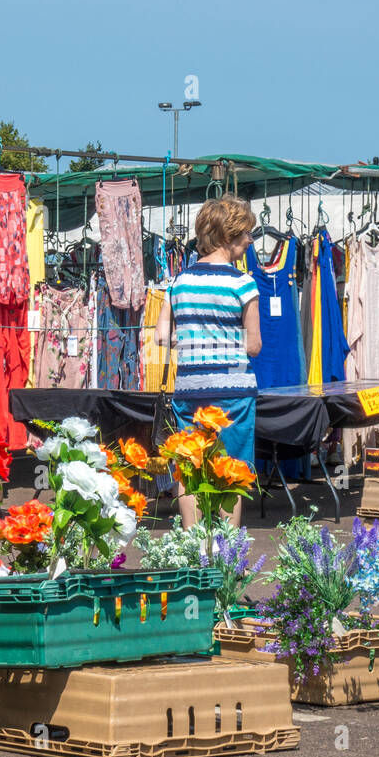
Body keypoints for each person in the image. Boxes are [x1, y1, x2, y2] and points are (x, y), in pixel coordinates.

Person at [155, 195, 262, 528]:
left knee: (189, 465)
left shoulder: (179, 282)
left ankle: (192, 545)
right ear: (228, 236)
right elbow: (254, 345)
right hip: (233, 392)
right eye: (246, 234)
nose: (249, 241)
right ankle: (227, 550)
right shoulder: (243, 283)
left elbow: (161, 337)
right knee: (232, 468)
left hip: (190, 389)